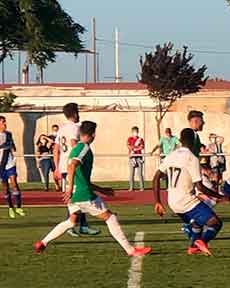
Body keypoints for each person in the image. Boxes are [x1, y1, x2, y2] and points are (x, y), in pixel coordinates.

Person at [34, 121, 152, 257]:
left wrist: (100, 189)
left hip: (74, 193)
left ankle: (43, 242)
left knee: (71, 221)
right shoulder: (84, 148)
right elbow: (72, 166)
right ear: (92, 134)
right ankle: (130, 250)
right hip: (82, 194)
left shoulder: (76, 148)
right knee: (110, 217)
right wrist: (71, 187)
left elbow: (80, 176)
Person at [152, 128, 225, 256]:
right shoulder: (192, 158)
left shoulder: (171, 155)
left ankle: (192, 246)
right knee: (215, 222)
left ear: (180, 140)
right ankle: (200, 242)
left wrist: (158, 201)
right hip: (186, 200)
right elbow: (200, 187)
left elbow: (156, 177)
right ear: (193, 142)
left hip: (172, 201)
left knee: (198, 222)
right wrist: (220, 196)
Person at [53, 103, 99, 236]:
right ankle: (75, 225)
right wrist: (79, 159)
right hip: (73, 165)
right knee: (77, 194)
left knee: (77, 196)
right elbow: (74, 145)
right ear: (74, 114)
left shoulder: (61, 129)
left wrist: (56, 168)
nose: (79, 114)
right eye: (77, 112)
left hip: (63, 166)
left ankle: (80, 225)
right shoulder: (75, 128)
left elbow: (56, 149)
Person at [0, 117, 23, 219]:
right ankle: (10, 207)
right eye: (3, 122)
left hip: (9, 163)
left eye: (5, 122)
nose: (5, 124)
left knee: (14, 182)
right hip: (1, 165)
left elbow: (13, 147)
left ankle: (18, 206)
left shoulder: (9, 134)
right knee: (5, 186)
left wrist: (12, 146)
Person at [127, 126, 145, 192]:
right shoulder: (129, 139)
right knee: (131, 174)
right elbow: (129, 146)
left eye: (136, 132)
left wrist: (135, 148)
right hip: (132, 157)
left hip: (139, 157)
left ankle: (142, 188)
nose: (135, 133)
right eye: (134, 132)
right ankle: (131, 188)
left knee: (140, 174)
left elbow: (142, 147)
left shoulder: (141, 139)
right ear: (132, 132)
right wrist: (135, 147)